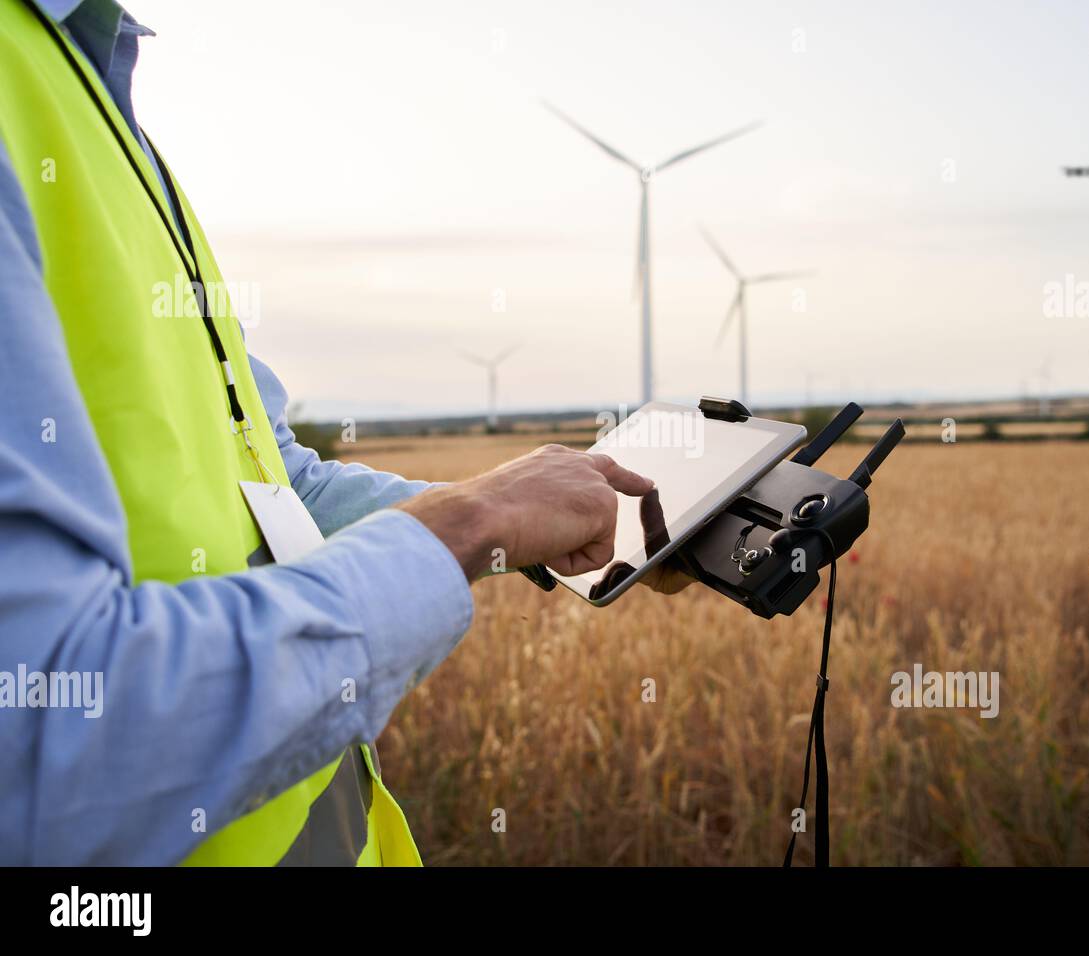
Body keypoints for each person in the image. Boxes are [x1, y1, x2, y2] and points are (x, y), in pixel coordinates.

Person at [0, 0, 675, 865]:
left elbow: (273, 483)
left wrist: (519, 510)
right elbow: (52, 737)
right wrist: (471, 525)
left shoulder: (98, 93)